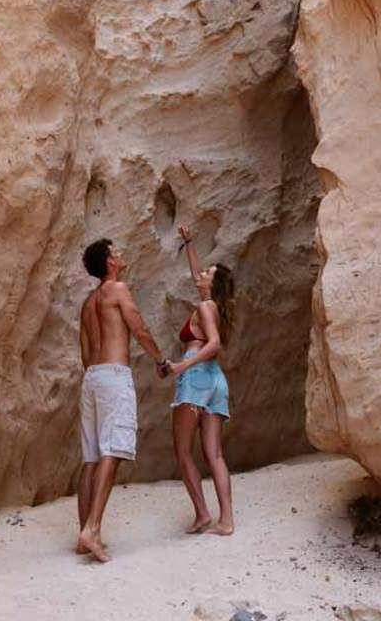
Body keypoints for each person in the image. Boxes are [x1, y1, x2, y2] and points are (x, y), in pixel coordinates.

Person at [77, 237, 170, 562]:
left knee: (90, 458)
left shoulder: (88, 303)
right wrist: (160, 360)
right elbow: (139, 328)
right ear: (109, 262)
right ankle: (93, 530)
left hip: (92, 379)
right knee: (113, 451)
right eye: (116, 251)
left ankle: (82, 533)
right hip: (114, 376)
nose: (121, 252)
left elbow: (85, 354)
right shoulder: (117, 290)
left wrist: (98, 374)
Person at [168, 223, 236, 536]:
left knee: (183, 451)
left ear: (214, 283)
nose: (202, 275)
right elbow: (195, 276)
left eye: (208, 272)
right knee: (215, 454)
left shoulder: (204, 307)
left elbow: (213, 345)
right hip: (216, 382)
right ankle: (227, 521)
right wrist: (189, 243)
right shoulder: (215, 306)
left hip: (195, 377)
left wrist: (182, 367)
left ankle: (202, 515)